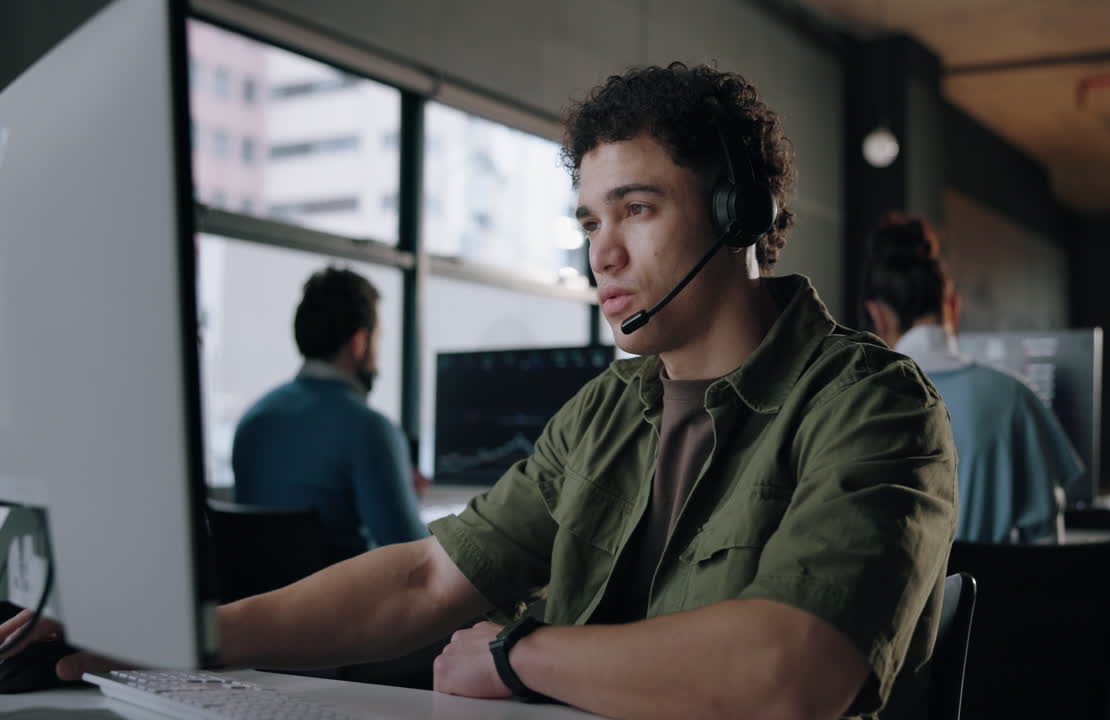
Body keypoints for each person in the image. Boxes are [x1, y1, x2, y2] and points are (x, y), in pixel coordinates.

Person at [2, 63, 956, 720]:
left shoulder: (873, 404)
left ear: (739, 212)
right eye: (589, 221)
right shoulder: (605, 413)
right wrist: (174, 636)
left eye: (636, 208)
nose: (602, 254)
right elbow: (427, 578)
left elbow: (790, 674)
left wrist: (517, 654)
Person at [863, 214, 1082, 544]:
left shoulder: (862, 401)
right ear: (953, 305)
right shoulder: (1015, 399)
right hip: (995, 581)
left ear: (877, 315)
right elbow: (1046, 546)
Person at [231, 267, 427, 554]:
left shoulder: (252, 419)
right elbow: (415, 555)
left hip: (258, 584)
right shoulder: (370, 429)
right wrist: (405, 495)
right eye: (377, 340)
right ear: (359, 343)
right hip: (341, 585)